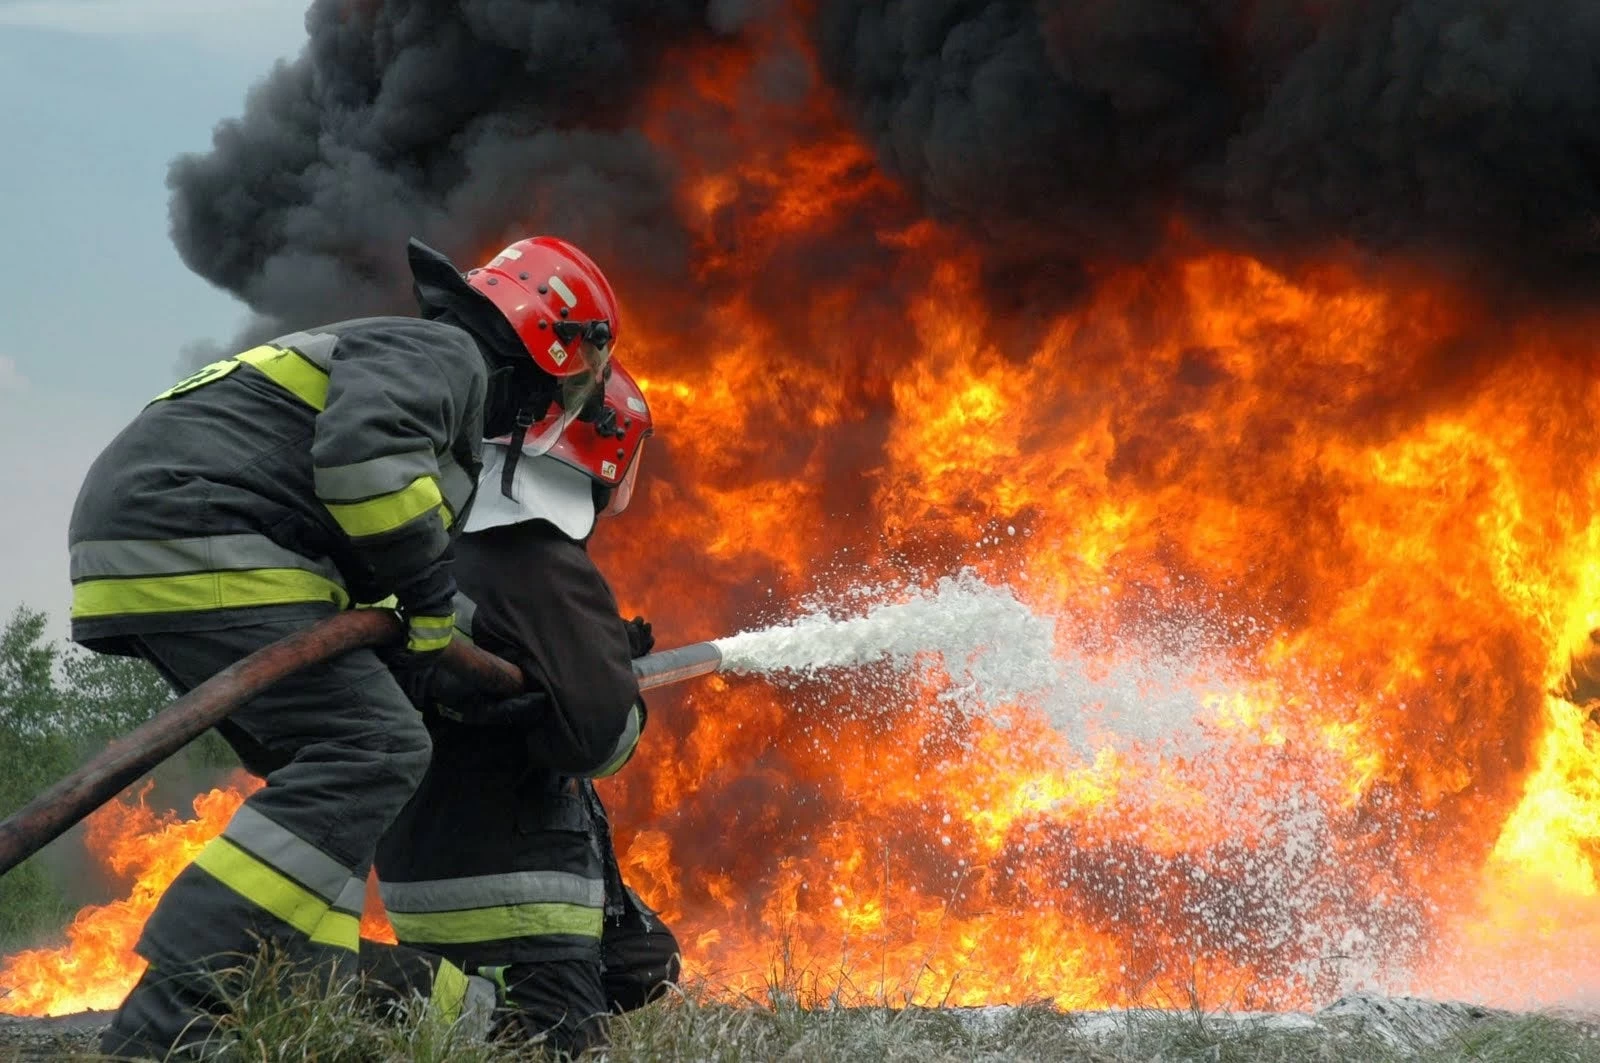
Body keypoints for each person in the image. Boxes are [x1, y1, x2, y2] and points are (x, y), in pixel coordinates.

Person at [69, 234, 623, 1059]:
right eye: (575, 381)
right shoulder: (447, 356)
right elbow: (366, 469)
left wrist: (464, 654)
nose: (557, 405)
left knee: (328, 784)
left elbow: (374, 570)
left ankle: (280, 987)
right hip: (201, 526)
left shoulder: (418, 366)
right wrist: (435, 607)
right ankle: (171, 1014)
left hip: (163, 535)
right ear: (549, 343)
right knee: (375, 745)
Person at [368, 359, 680, 1054]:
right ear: (606, 453)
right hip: (517, 892)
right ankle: (468, 1011)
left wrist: (590, 656)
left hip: (422, 873)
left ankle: (465, 1010)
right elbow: (602, 738)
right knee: (555, 1044)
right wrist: (613, 687)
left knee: (645, 959)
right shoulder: (541, 556)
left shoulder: (441, 544)